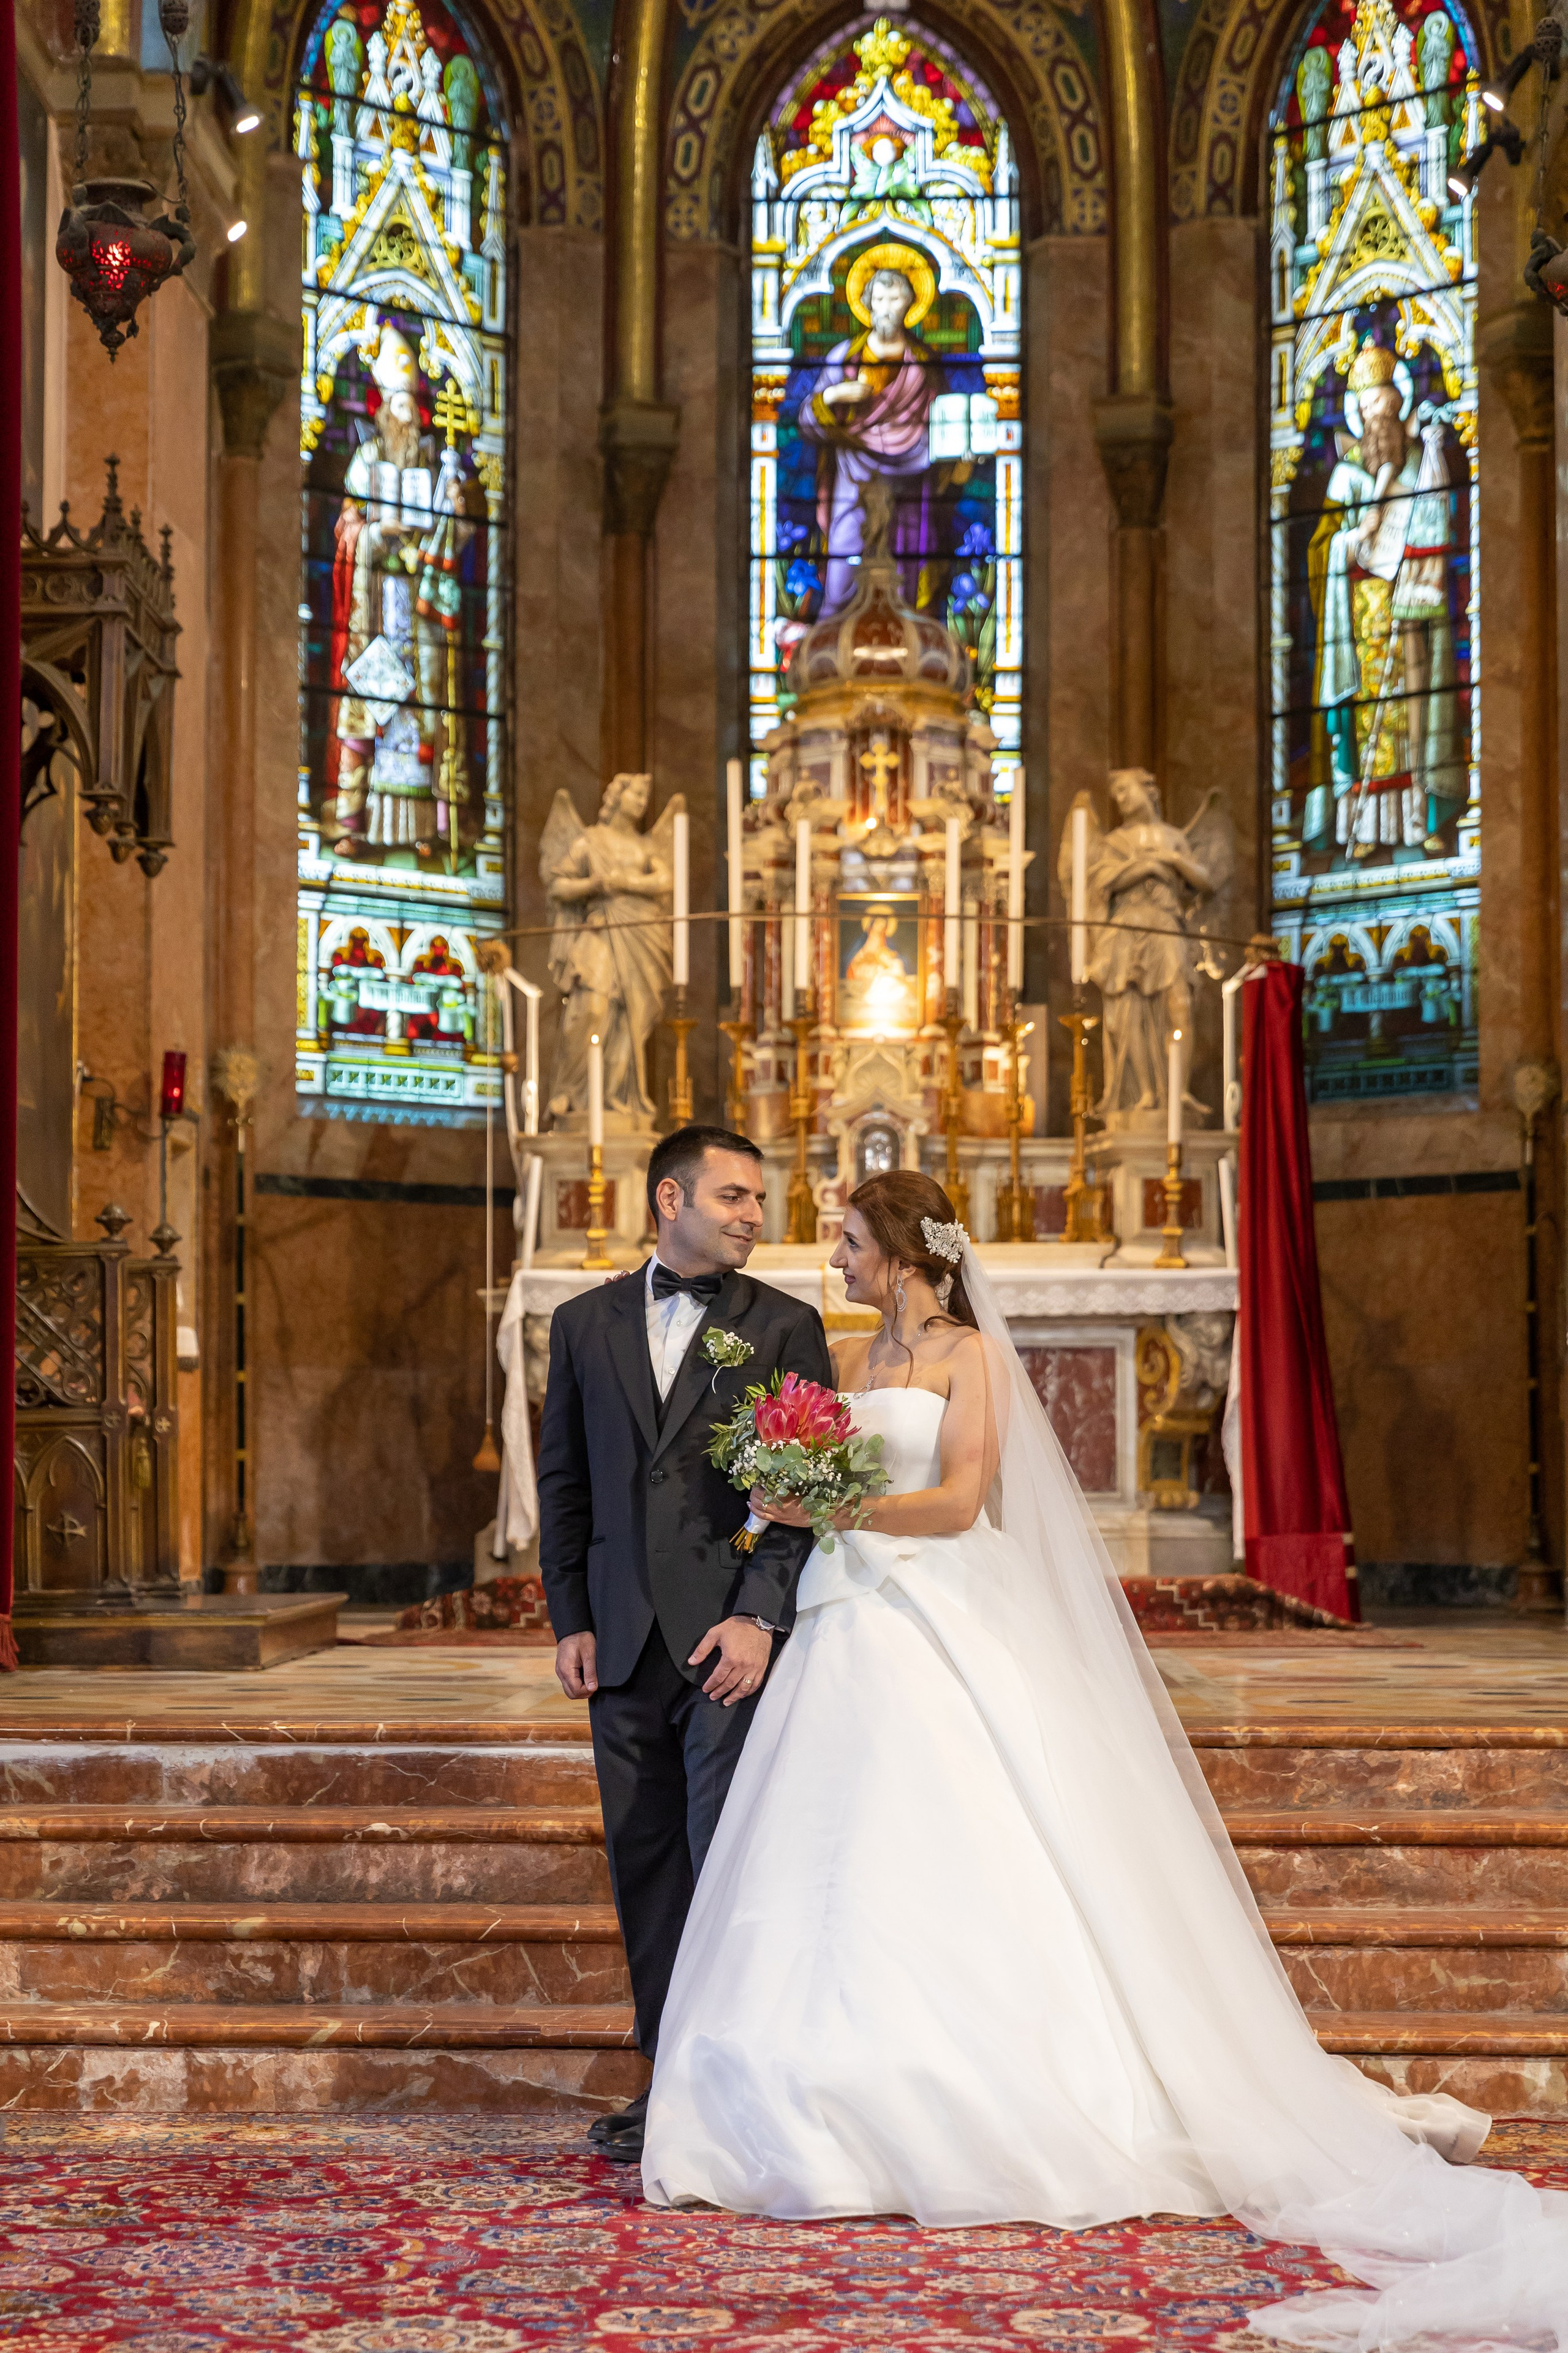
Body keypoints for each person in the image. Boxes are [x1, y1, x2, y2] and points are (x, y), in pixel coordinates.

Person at [642, 1169, 1568, 2346]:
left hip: (933, 1605)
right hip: (844, 1614)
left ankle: (983, 2089)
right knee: (818, 1839)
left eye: (850, 1240)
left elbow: (966, 1498)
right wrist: (793, 1497)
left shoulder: (972, 1356)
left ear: (905, 1252)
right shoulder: (845, 1356)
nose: (833, 1258)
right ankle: (796, 2096)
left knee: (959, 1828)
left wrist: (835, 1510)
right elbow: (825, 1466)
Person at [537, 1125, 834, 2167]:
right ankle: (667, 2078)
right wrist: (569, 1613)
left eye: (759, 1198)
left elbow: (805, 1491)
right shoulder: (581, 1324)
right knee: (648, 1864)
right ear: (671, 1197)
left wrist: (760, 1612)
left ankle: (737, 2085)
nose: (757, 1214)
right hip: (618, 1641)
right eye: (737, 1196)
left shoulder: (785, 1324)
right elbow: (563, 1483)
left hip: (726, 1639)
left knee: (728, 1864)